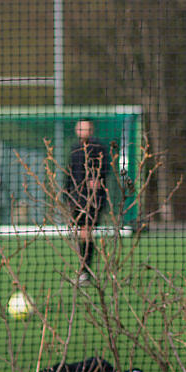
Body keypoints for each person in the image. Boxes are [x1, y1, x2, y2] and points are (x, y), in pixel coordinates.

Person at [63, 117, 109, 285]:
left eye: (85, 128)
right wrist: (67, 195)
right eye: (79, 128)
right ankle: (84, 270)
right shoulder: (75, 149)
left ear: (91, 129)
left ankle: (85, 271)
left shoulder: (98, 148)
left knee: (86, 233)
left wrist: (96, 181)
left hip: (93, 200)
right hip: (76, 199)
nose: (82, 131)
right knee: (80, 235)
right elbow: (69, 174)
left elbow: (104, 171)